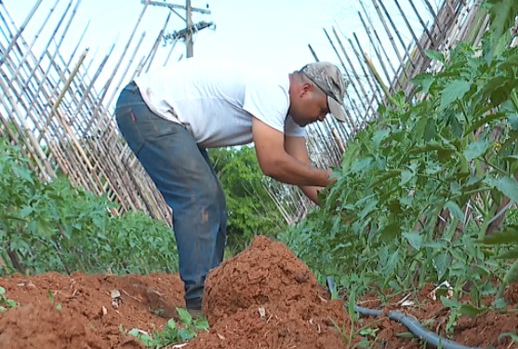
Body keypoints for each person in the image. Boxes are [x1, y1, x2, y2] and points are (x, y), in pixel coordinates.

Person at [114, 58, 346, 317]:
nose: (322, 118)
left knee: (214, 203)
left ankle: (208, 295)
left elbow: (306, 175)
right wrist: (330, 178)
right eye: (323, 109)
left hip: (169, 119)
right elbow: (272, 162)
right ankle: (199, 305)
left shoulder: (291, 117)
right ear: (305, 90)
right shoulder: (273, 89)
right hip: (146, 107)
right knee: (200, 196)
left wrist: (343, 206)